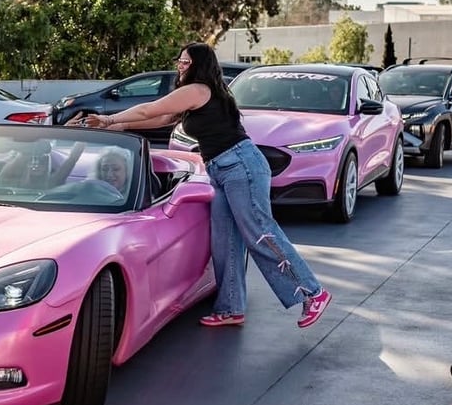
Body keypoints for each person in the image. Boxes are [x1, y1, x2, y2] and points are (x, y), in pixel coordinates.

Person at [84, 42, 332, 329]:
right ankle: (230, 308)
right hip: (223, 169)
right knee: (224, 241)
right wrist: (115, 128)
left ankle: (312, 292)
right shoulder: (196, 94)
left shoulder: (198, 89)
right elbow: (162, 117)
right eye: (179, 60)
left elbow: (149, 109)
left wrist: (109, 117)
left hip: (241, 166)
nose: (180, 65)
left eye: (185, 62)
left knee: (260, 233)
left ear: (199, 65)